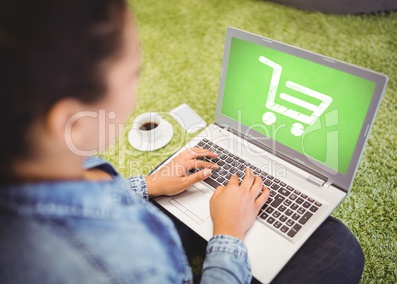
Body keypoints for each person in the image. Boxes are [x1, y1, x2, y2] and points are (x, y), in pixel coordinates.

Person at [0, 0, 364, 283]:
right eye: (134, 74)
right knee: (340, 250)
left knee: (182, 178)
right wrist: (228, 235)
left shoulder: (33, 159)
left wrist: (150, 184)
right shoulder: (127, 268)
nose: (136, 90)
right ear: (71, 123)